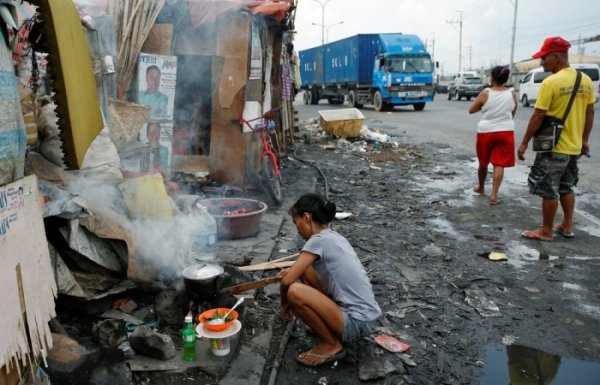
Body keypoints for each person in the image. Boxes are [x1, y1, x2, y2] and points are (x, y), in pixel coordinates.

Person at [277, 193, 381, 367]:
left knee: (294, 292)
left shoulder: (316, 241)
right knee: (302, 270)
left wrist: (284, 304)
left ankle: (331, 344)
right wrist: (294, 271)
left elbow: (286, 282)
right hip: (366, 319)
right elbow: (300, 272)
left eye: (297, 223)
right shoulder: (333, 236)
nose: (297, 230)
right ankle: (325, 324)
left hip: (356, 322)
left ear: (307, 217)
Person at [517, 36, 595, 241]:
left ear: (556, 57)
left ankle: (546, 231)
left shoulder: (551, 82)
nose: (542, 62)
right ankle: (567, 226)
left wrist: (524, 142)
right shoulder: (585, 80)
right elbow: (590, 113)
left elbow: (538, 115)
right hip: (574, 147)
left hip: (554, 146)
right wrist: (584, 141)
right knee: (567, 187)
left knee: (549, 190)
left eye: (544, 58)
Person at [468, 66, 517, 205]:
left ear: (492, 78)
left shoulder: (486, 93)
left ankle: (481, 188)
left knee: (483, 162)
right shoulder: (512, 93)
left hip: (486, 131)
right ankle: (494, 195)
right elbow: (513, 111)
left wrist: (484, 107)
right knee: (499, 163)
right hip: (506, 131)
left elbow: (471, 110)